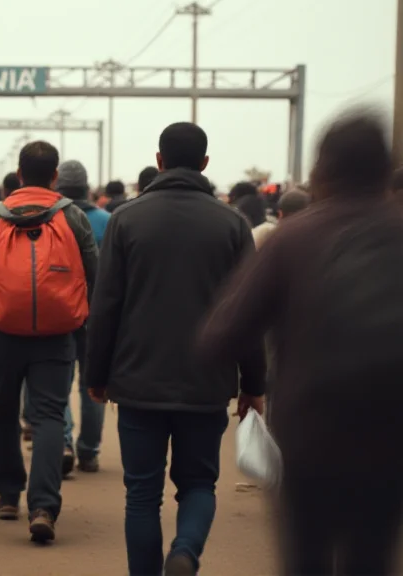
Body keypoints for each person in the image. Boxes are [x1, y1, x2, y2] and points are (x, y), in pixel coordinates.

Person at [198, 110, 403, 576]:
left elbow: (220, 335)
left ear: (321, 171)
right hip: (393, 437)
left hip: (313, 435)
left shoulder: (294, 238)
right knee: (371, 557)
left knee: (308, 558)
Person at [85, 122, 266, 575]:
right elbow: (248, 313)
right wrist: (254, 384)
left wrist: (97, 375)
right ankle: (185, 551)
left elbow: (105, 306)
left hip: (137, 379)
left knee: (142, 494)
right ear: (205, 164)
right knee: (199, 484)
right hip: (207, 382)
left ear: (159, 160)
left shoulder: (127, 218)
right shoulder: (232, 224)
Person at [0, 140, 98, 542]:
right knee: (50, 415)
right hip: (58, 333)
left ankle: (7, 495)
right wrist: (87, 324)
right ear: (55, 176)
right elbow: (94, 272)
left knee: (1, 409)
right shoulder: (72, 216)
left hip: (2, 330)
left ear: (19, 175)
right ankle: (43, 506)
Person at [53, 159, 110, 474]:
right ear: (87, 187)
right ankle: (89, 451)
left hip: (59, 312)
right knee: (94, 384)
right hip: (96, 315)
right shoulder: (107, 220)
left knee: (57, 383)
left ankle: (62, 441)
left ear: (58, 187)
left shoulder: (52, 218)